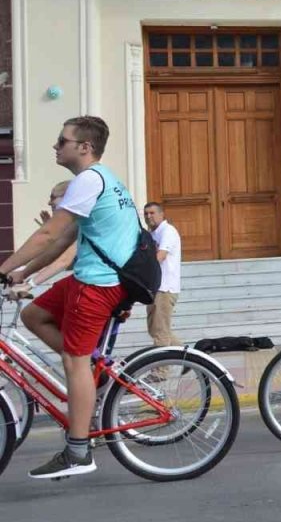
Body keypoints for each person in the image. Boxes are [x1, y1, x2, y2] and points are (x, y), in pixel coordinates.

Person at [0, 116, 140, 478]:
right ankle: (91, 374)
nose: (55, 146)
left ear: (84, 147)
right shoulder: (102, 178)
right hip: (92, 278)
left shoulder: (88, 180)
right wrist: (22, 273)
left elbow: (48, 234)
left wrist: (3, 267)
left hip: (97, 284)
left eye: (62, 141)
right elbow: (63, 241)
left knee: (74, 362)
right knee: (34, 315)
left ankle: (78, 451)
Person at [4, 181, 76, 301]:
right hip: (83, 279)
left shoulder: (83, 222)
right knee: (31, 315)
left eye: (53, 197)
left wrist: (29, 285)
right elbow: (54, 251)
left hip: (101, 284)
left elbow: (64, 260)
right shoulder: (71, 225)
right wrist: (23, 273)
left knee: (35, 314)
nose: (49, 202)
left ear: (68, 197)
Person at [143, 203, 183, 348]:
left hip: (164, 288)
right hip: (154, 288)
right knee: (155, 330)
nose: (149, 216)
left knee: (160, 333)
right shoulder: (152, 234)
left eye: (152, 213)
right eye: (146, 213)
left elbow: (160, 256)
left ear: (161, 214)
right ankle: (186, 356)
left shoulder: (168, 231)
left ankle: (160, 371)